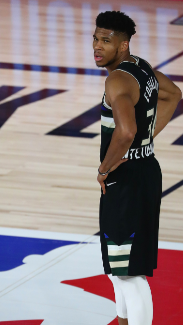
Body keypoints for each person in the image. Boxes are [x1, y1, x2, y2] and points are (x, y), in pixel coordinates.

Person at [93, 11, 182, 325]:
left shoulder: (116, 79)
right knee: (119, 267)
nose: (98, 46)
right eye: (96, 38)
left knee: (129, 274)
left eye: (106, 40)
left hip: (126, 180)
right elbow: (173, 95)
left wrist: (105, 168)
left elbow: (126, 131)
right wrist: (147, 136)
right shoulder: (140, 67)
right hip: (145, 171)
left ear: (123, 45)